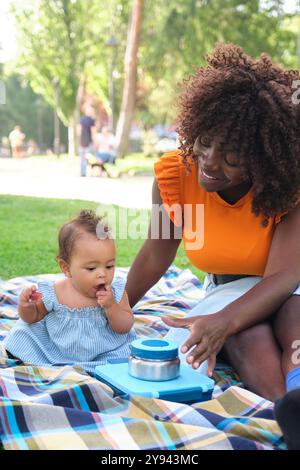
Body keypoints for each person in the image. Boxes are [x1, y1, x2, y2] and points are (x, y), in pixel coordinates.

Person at [125, 44, 300, 448]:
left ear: (263, 157)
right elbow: (156, 252)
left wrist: (225, 318)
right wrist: (119, 306)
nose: (211, 161)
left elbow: (285, 275)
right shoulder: (174, 175)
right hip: (226, 288)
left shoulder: (287, 187)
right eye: (205, 141)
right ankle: (289, 412)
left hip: (289, 285)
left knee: (294, 314)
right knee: (243, 335)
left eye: (233, 155)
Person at [4, 209, 136, 375]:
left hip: (105, 354)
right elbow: (33, 317)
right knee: (23, 332)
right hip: (57, 352)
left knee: (128, 355)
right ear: (66, 268)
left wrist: (111, 307)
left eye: (109, 266)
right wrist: (26, 307)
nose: (102, 273)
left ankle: (99, 370)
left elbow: (125, 326)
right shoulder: (56, 292)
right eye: (91, 268)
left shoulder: (115, 292)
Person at [77, 105, 97, 177]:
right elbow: (93, 132)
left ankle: (83, 173)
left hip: (82, 142)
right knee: (91, 157)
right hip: (89, 142)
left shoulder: (81, 120)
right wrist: (95, 142)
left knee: (82, 158)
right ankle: (92, 172)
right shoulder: (92, 121)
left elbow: (78, 131)